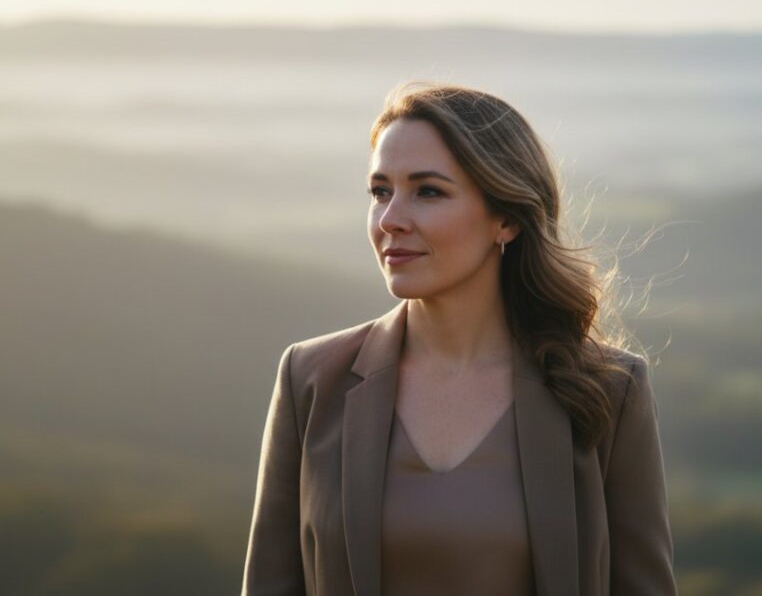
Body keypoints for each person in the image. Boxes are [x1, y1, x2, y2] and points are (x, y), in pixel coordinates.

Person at [241, 82, 678, 596]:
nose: (390, 220)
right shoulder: (312, 380)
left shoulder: (609, 389)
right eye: (380, 192)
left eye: (427, 191)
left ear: (507, 218)